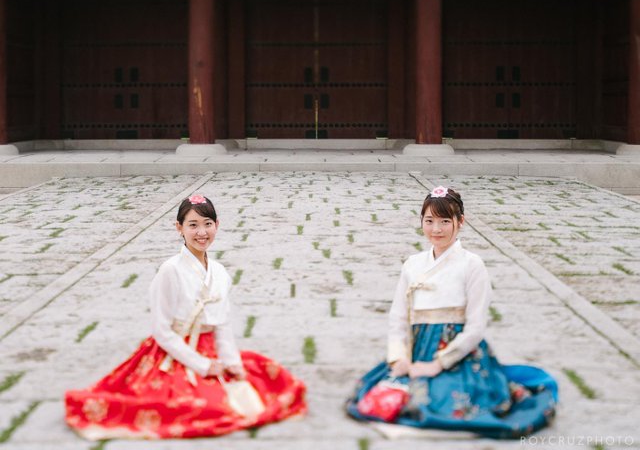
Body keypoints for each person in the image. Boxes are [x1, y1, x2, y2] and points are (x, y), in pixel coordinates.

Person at [65, 193, 306, 440]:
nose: (202, 232)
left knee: (263, 380)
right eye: (193, 225)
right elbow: (162, 330)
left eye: (207, 224)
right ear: (179, 228)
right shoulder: (170, 271)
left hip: (209, 347)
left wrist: (231, 361)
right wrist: (202, 365)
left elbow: (222, 323)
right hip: (174, 350)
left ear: (217, 225)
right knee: (203, 406)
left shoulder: (220, 272)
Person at [346, 186, 557, 438]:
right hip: (417, 349)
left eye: (445, 221)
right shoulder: (412, 264)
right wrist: (398, 357)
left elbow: (476, 327)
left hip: (459, 353)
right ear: (421, 222)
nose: (437, 229)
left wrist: (438, 364)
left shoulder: (472, 264)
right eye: (429, 221)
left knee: (445, 402)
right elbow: (398, 316)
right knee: (376, 398)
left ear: (460, 222)